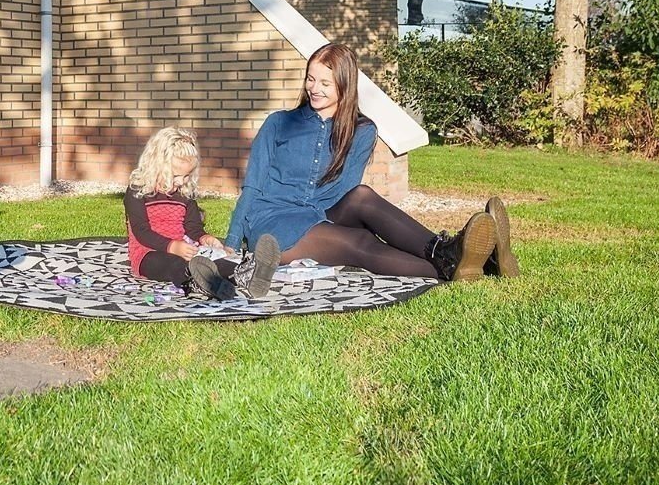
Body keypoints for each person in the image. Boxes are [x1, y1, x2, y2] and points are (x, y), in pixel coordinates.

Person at [224, 43, 515, 282]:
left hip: (322, 212)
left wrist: (348, 223)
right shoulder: (279, 123)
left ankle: (446, 251)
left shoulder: (361, 131)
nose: (315, 88)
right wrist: (233, 243)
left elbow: (346, 193)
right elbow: (253, 187)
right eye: (310, 79)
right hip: (274, 222)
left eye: (325, 82)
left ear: (344, 84)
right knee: (360, 244)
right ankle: (455, 265)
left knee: (362, 196)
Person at [124, 126, 280, 300]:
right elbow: (141, 231)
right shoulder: (137, 190)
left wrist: (204, 238)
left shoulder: (184, 194)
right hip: (148, 253)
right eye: (176, 176)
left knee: (212, 263)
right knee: (176, 264)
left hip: (184, 249)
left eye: (186, 176)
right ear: (156, 165)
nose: (181, 182)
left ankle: (249, 275)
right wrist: (172, 247)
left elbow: (193, 228)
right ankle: (199, 283)